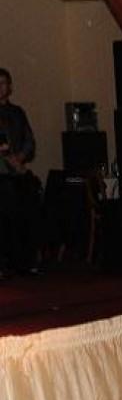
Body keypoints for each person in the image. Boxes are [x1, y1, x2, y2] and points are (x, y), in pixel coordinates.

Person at [0, 68, 42, 278]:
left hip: (18, 173)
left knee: (26, 212)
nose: (0, 87)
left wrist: (21, 157)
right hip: (2, 173)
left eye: (4, 83)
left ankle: (25, 261)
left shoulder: (17, 112)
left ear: (10, 86)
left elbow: (29, 140)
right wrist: (9, 159)